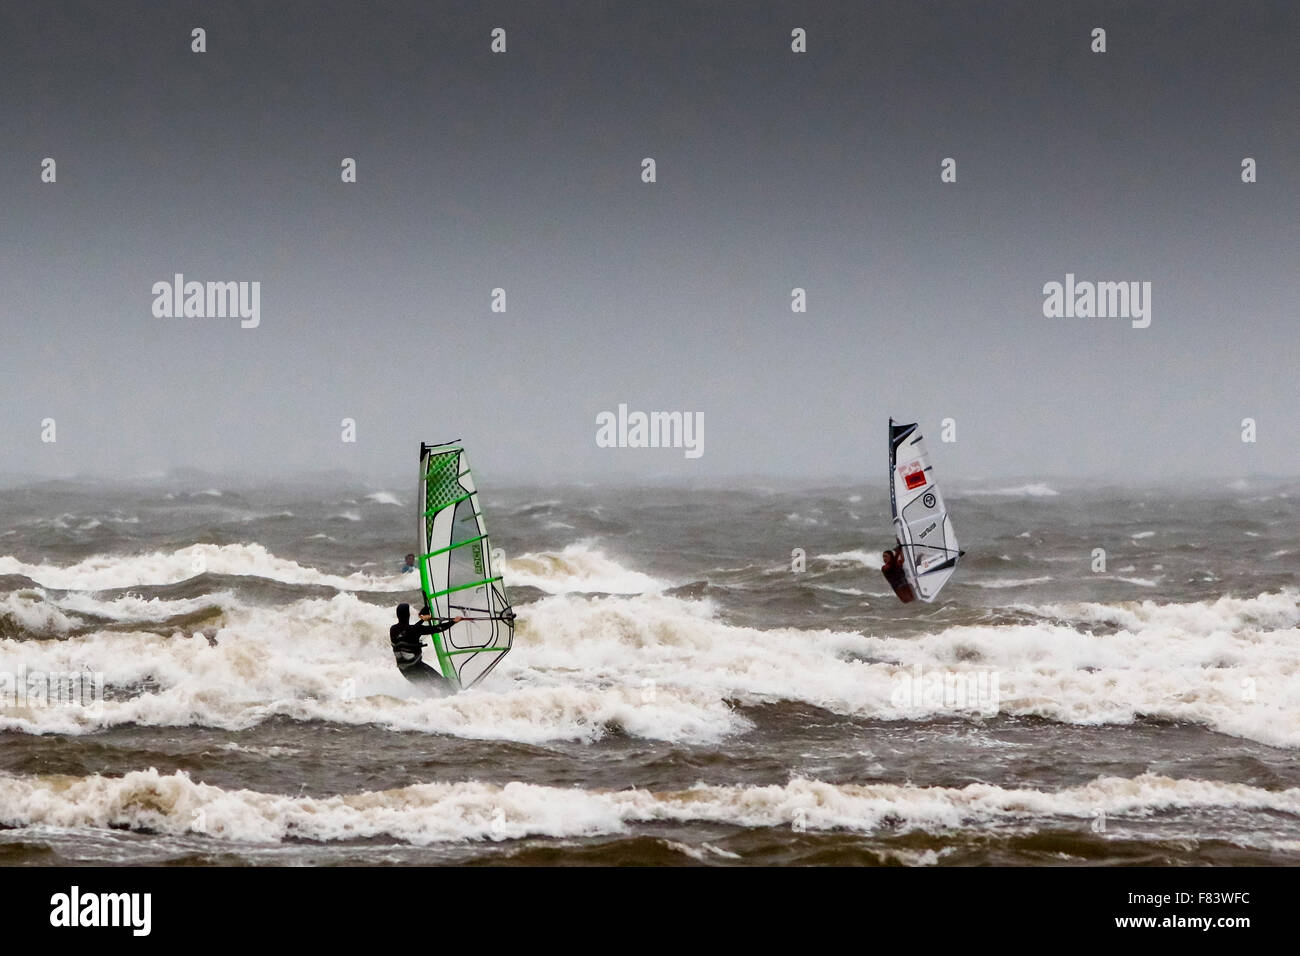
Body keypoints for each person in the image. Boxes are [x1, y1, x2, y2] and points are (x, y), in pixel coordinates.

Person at [389, 602, 463, 687]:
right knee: (443, 683)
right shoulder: (415, 629)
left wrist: (422, 620)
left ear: (398, 615)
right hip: (417, 668)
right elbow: (438, 628)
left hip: (404, 670)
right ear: (408, 615)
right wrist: (454, 621)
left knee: (426, 689)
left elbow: (410, 631)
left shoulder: (393, 629)